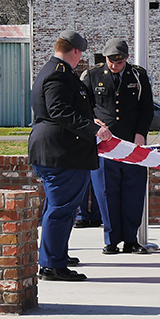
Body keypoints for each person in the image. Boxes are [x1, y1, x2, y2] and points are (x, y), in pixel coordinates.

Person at [29, 30, 112, 281]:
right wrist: (94, 129)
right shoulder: (59, 75)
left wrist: (89, 120)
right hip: (62, 152)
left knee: (57, 207)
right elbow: (59, 111)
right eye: (81, 54)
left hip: (56, 150)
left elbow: (64, 109)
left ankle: (55, 254)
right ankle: (52, 264)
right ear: (75, 51)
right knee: (62, 208)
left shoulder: (51, 70)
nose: (81, 59)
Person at [82, 37, 155, 254]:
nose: (115, 66)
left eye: (119, 62)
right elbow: (83, 106)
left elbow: (147, 108)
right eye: (111, 61)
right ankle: (111, 240)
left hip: (132, 144)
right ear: (105, 58)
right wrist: (93, 123)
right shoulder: (92, 75)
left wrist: (141, 134)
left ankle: (131, 240)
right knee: (106, 191)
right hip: (104, 145)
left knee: (133, 191)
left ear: (126, 59)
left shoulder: (137, 75)